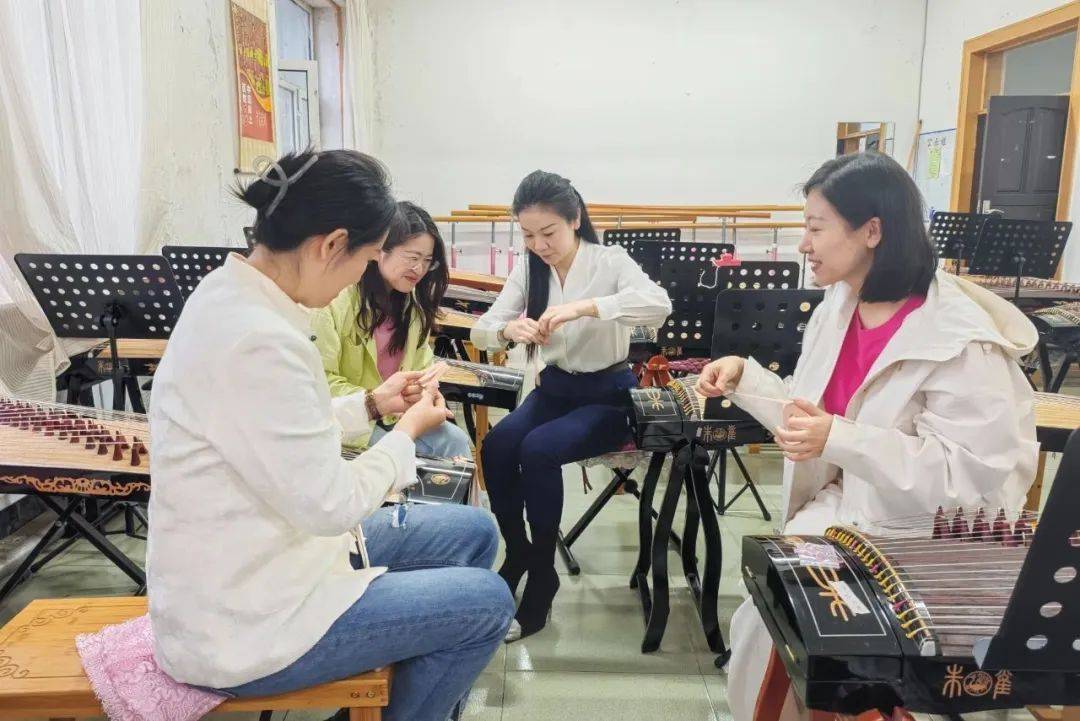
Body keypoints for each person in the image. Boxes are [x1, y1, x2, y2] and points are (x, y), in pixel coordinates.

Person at [147, 149, 514, 721]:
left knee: (473, 532)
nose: (360, 275)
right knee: (488, 602)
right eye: (366, 259)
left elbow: (275, 430)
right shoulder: (261, 338)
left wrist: (371, 404)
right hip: (247, 623)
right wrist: (405, 433)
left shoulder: (230, 293)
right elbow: (330, 505)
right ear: (331, 244)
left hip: (275, 560)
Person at [695, 152, 1039, 721]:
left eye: (815, 228)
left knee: (786, 625)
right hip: (845, 516)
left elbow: (972, 482)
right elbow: (814, 415)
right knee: (765, 618)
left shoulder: (961, 340)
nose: (803, 244)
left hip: (921, 541)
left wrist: (840, 438)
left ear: (872, 230)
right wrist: (744, 379)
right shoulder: (841, 303)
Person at [471, 170, 672, 641]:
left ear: (575, 219)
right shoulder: (529, 270)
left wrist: (586, 307)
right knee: (498, 445)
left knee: (538, 449)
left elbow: (658, 305)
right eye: (528, 235)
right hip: (555, 390)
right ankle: (519, 551)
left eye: (548, 233)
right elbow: (483, 328)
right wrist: (508, 330)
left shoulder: (610, 261)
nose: (539, 245)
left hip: (609, 395)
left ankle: (543, 575)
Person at [313, 200, 471, 458]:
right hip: (352, 418)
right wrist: (379, 399)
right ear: (379, 251)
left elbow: (422, 367)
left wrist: (425, 391)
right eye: (412, 258)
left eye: (427, 261)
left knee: (455, 442)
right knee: (397, 455)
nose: (419, 269)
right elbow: (321, 380)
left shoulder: (413, 304)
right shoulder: (336, 300)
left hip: (396, 414)